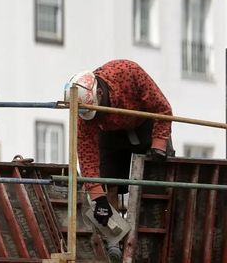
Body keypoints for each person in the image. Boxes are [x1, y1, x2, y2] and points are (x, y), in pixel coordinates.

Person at [65, 59, 172, 229]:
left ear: (99, 93)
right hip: (109, 132)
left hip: (144, 123)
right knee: (109, 184)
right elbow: (87, 153)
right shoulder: (83, 111)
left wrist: (158, 144)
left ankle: (151, 232)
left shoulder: (129, 72)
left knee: (156, 181)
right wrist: (97, 196)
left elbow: (163, 109)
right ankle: (114, 242)